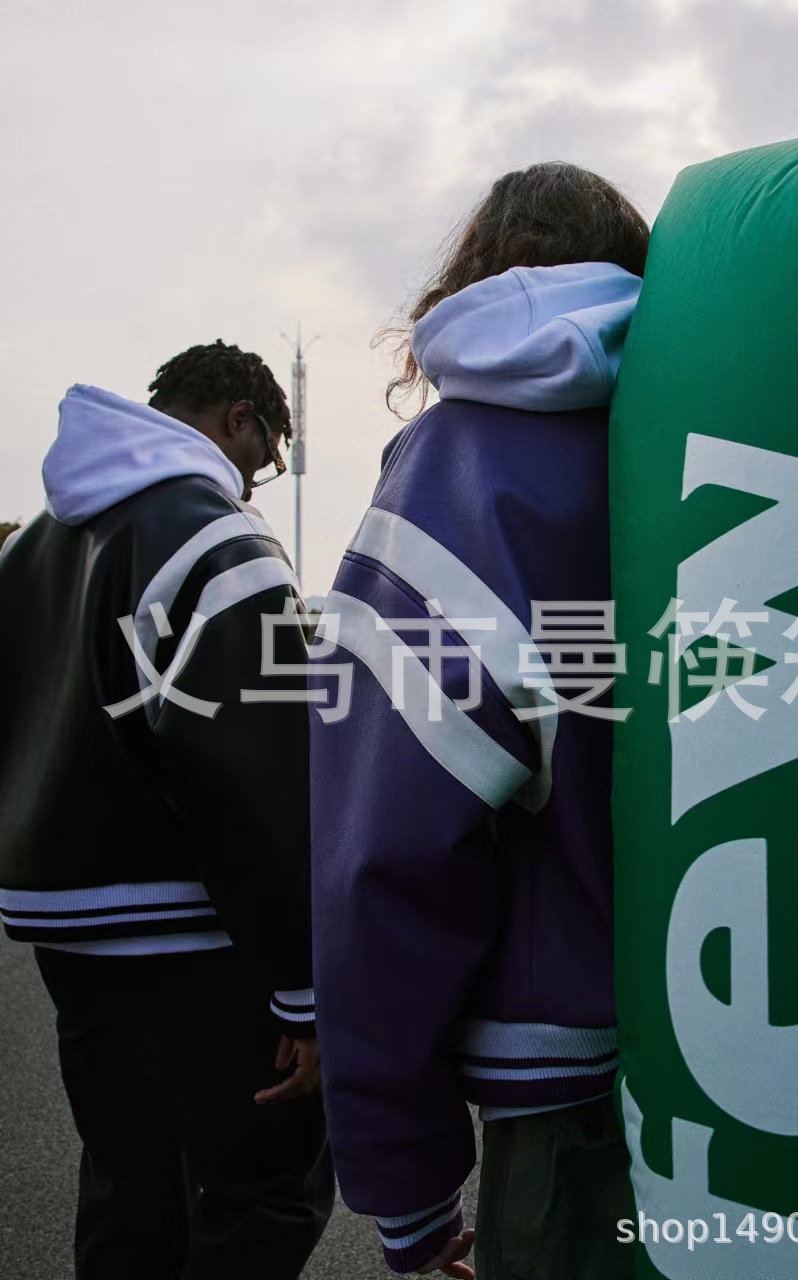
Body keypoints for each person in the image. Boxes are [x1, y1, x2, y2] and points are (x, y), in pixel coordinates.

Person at [310, 161, 648, 1278]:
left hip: (573, 1099)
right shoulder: (728, 428)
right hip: (791, 1037)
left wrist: (404, 1177)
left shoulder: (459, 464)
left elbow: (386, 851)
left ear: (472, 277)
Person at [0, 342, 335, 1279]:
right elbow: (259, 782)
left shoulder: (33, 545)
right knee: (265, 1189)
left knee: (129, 1183)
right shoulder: (216, 540)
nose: (256, 480)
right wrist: (304, 992)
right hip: (196, 937)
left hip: (64, 929)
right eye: (265, 457)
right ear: (239, 418)